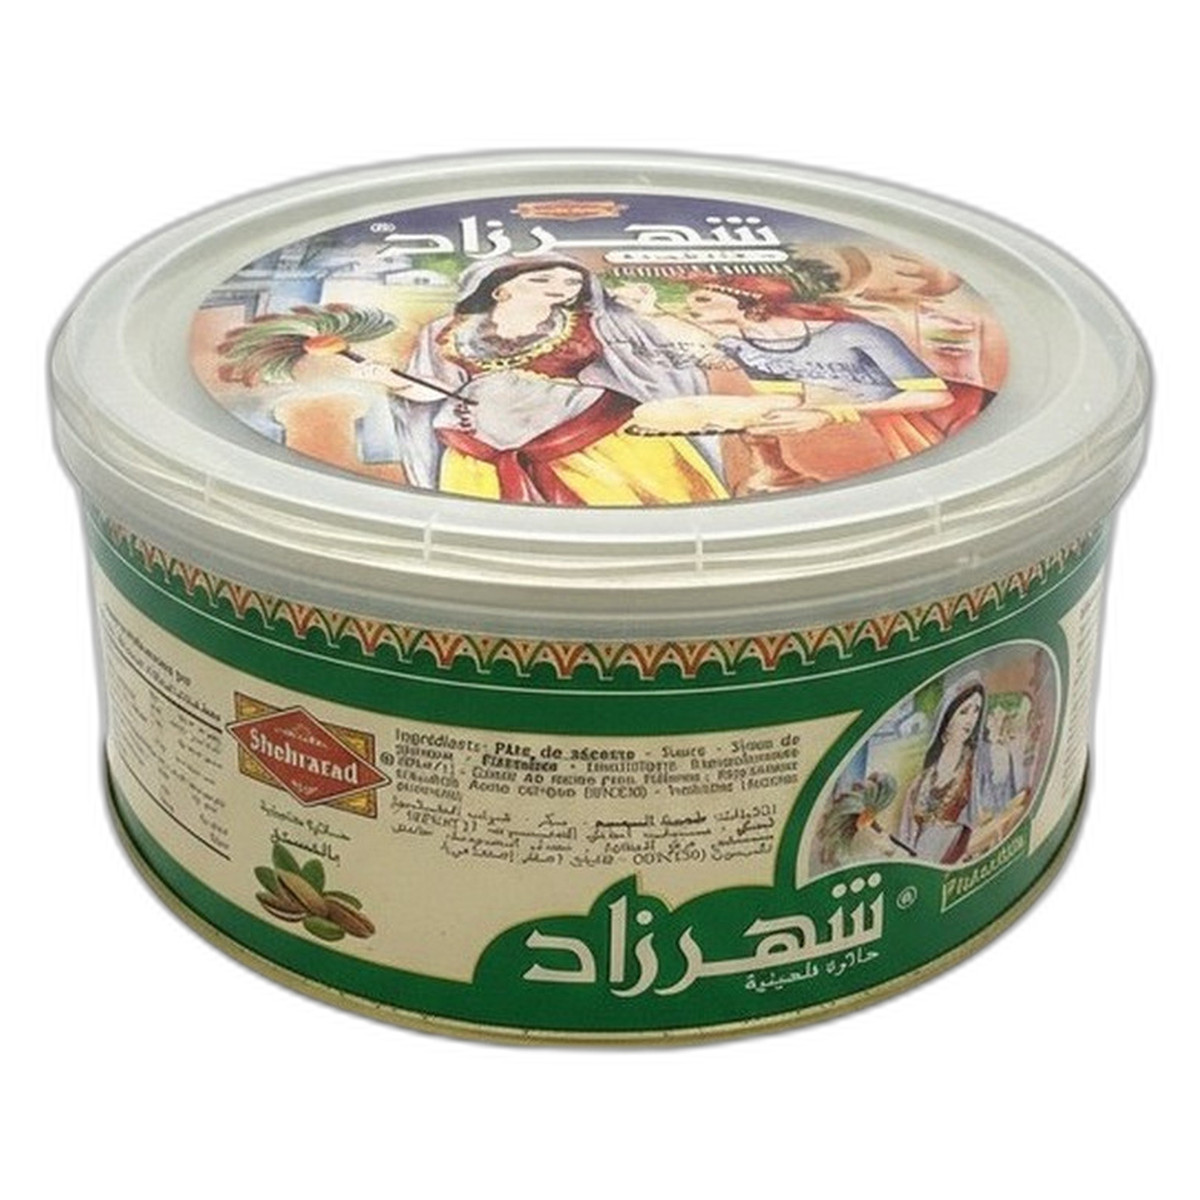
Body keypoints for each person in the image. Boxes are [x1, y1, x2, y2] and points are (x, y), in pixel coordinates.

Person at [376, 257, 730, 506]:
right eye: (541, 279)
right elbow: (436, 387)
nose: (560, 287)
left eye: (571, 281)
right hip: (480, 453)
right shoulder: (447, 331)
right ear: (500, 290)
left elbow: (694, 348)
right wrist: (393, 381)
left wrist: (650, 313)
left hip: (593, 440)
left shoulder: (595, 322)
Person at [675, 273, 981, 490]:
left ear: (747, 300)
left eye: (703, 298)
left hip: (904, 438)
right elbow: (791, 397)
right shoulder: (745, 345)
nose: (690, 306)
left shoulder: (853, 333)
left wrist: (831, 414)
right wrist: (725, 413)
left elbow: (935, 397)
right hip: (825, 440)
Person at [897, 679, 987, 864]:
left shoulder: (975, 765)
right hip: (921, 858)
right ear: (947, 718)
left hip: (956, 856)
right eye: (964, 711)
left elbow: (982, 819)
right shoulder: (922, 780)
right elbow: (907, 832)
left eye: (976, 710)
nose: (971, 719)